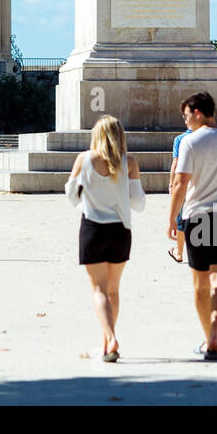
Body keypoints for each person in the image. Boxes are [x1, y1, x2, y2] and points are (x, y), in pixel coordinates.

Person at [168, 91, 217, 362]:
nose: (185, 120)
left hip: (198, 216)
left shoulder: (190, 142)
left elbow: (180, 183)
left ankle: (208, 337)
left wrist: (171, 218)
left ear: (198, 113)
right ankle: (214, 335)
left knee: (200, 284)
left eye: (186, 115)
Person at [65, 115, 145, 363]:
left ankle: (110, 338)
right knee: (113, 290)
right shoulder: (128, 162)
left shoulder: (83, 159)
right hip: (120, 229)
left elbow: (71, 196)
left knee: (98, 289)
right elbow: (138, 203)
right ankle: (106, 343)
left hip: (92, 229)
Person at [167, 111, 203, 264]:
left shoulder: (180, 139)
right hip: (201, 182)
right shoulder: (205, 138)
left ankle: (179, 252)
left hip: (185, 183)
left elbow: (176, 163)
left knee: (182, 217)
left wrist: (171, 183)